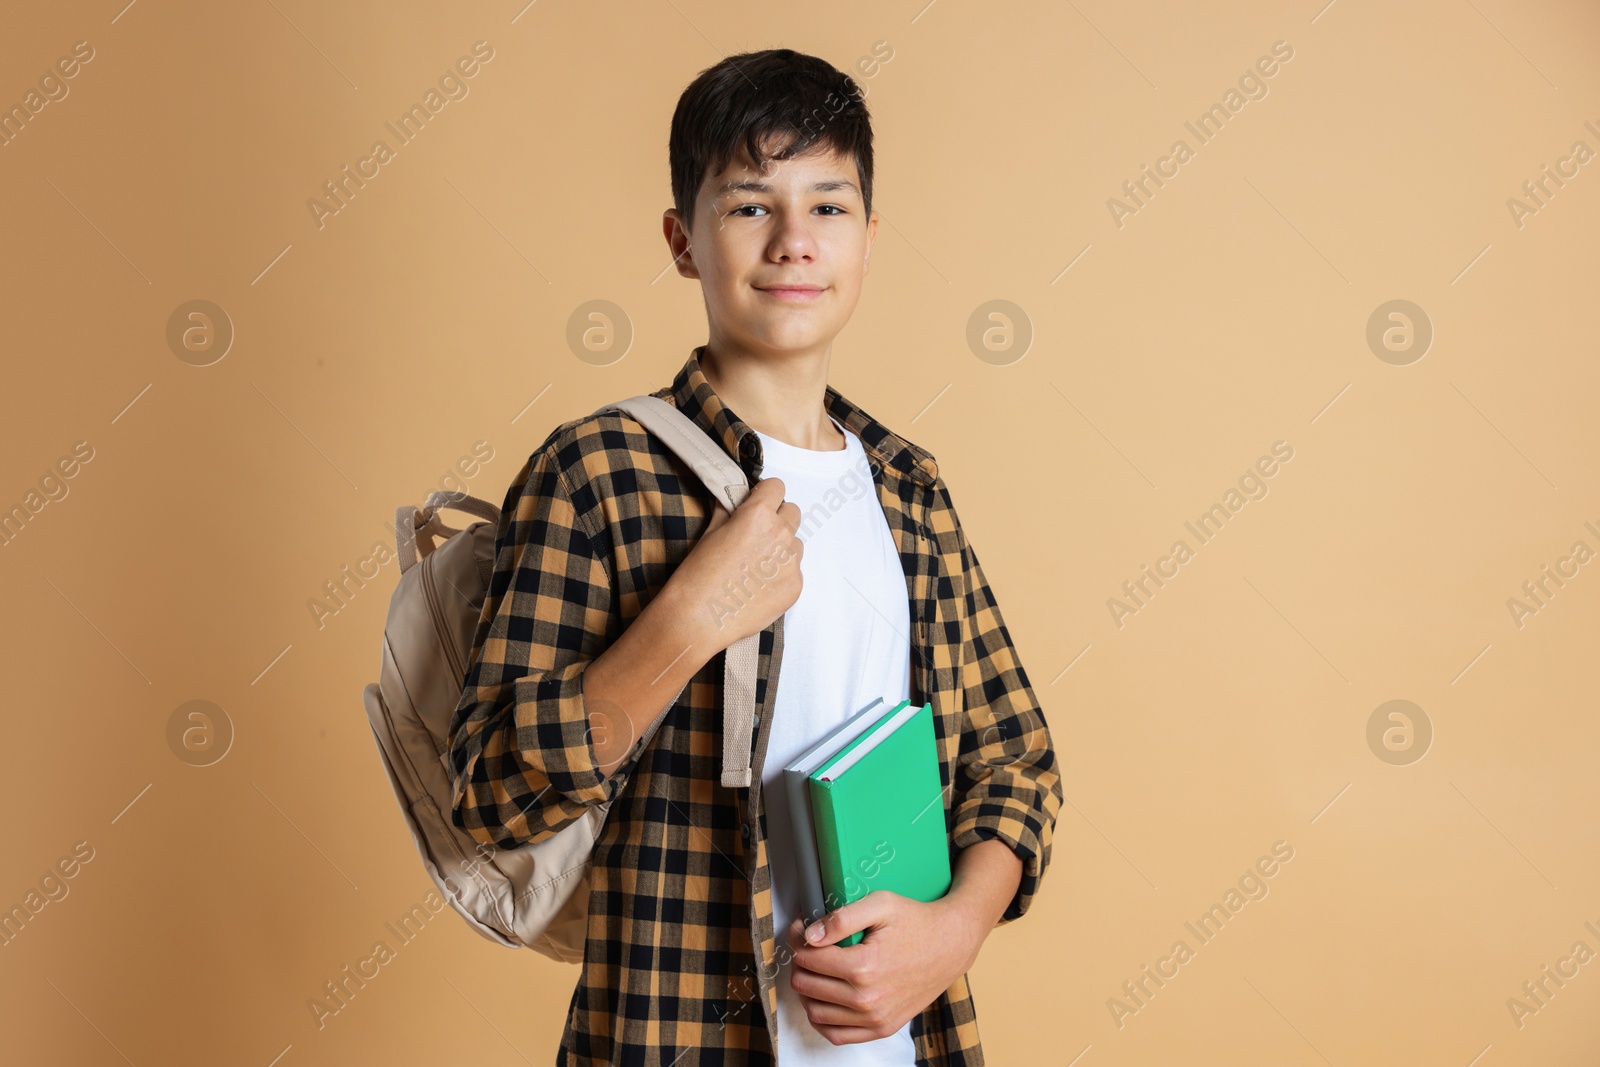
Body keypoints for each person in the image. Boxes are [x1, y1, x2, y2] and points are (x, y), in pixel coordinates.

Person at [447, 47, 1062, 1066]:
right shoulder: (598, 471)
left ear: (868, 236)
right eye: (747, 207)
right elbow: (493, 794)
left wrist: (951, 931)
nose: (792, 242)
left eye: (827, 206)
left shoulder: (911, 491)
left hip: (900, 1041)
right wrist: (686, 620)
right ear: (682, 240)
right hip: (673, 1029)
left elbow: (1017, 761)